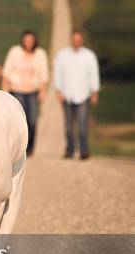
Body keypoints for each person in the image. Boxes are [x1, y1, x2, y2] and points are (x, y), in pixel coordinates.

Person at [53, 29, 100, 160]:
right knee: (68, 126)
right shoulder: (62, 55)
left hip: (83, 95)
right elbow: (58, 73)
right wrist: (58, 90)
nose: (76, 42)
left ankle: (84, 150)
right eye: (74, 40)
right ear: (71, 40)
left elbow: (94, 74)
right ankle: (70, 149)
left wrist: (94, 91)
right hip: (67, 94)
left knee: (82, 125)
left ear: (82, 41)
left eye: (79, 40)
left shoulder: (89, 56)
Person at [2, 30, 49, 156]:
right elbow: (6, 71)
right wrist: (5, 91)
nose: (28, 43)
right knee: (19, 121)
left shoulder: (40, 54)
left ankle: (30, 148)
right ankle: (20, 147)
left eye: (31, 41)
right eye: (26, 41)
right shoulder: (15, 52)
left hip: (33, 91)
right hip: (17, 90)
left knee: (32, 121)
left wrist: (43, 91)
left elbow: (44, 74)